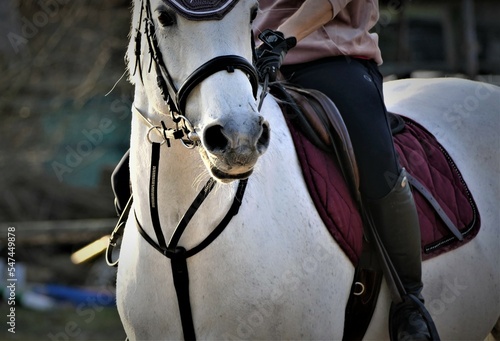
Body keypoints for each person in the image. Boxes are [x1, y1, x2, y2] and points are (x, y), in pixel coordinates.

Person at [253, 1, 437, 340]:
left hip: (329, 61)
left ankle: (410, 301)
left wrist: (280, 39)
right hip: (248, 63)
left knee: (377, 168)